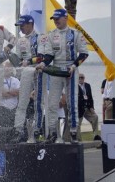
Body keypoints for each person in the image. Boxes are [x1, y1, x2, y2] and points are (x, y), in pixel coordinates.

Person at [36, 9, 89, 143]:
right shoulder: (51, 35)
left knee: (72, 103)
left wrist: (74, 66)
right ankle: (53, 132)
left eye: (58, 18)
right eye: (54, 19)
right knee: (52, 103)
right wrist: (42, 64)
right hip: (56, 69)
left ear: (66, 18)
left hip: (71, 69)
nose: (56, 21)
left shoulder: (75, 34)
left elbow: (84, 54)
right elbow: (49, 56)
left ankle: (73, 132)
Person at [13, 15, 48, 143]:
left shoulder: (41, 37)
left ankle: (37, 129)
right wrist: (10, 60)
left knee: (38, 102)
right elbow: (17, 59)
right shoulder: (20, 41)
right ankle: (18, 130)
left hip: (38, 70)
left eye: (22, 25)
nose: (21, 28)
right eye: (20, 26)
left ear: (30, 24)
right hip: (25, 72)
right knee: (22, 102)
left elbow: (42, 56)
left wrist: (27, 61)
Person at [78, 73, 101, 141]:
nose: (80, 79)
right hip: (79, 108)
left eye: (81, 77)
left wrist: (92, 108)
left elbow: (90, 97)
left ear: (84, 78)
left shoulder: (87, 85)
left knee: (95, 117)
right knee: (77, 125)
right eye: (79, 78)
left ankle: (96, 136)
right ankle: (79, 140)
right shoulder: (75, 86)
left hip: (87, 107)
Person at [0, 61, 20, 127]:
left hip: (13, 110)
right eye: (5, 66)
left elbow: (19, 92)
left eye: (9, 66)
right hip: (2, 110)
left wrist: (7, 92)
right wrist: (13, 92)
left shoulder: (16, 80)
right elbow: (1, 93)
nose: (7, 68)